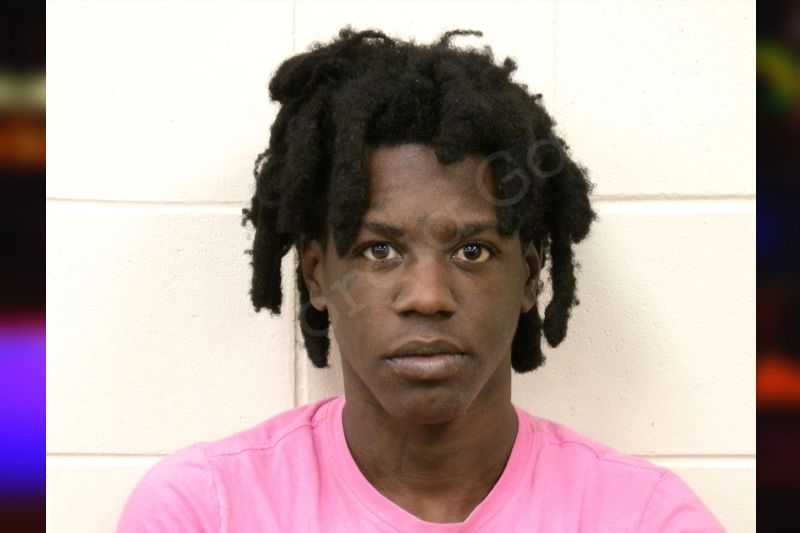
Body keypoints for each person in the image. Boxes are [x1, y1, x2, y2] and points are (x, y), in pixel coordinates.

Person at [117, 27, 725, 532]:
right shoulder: (204, 510)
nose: (428, 297)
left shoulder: (645, 517)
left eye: (472, 251)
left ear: (529, 277)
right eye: (379, 250)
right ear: (317, 276)